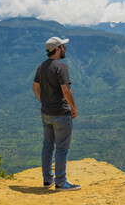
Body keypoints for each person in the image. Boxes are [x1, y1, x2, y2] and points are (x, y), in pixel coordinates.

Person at [32, 36, 81, 191]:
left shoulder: (41, 67)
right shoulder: (61, 67)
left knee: (47, 146)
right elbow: (66, 90)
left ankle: (48, 180)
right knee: (61, 148)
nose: (65, 49)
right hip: (60, 113)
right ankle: (61, 182)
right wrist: (73, 107)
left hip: (46, 113)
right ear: (58, 48)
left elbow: (35, 87)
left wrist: (44, 102)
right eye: (63, 46)